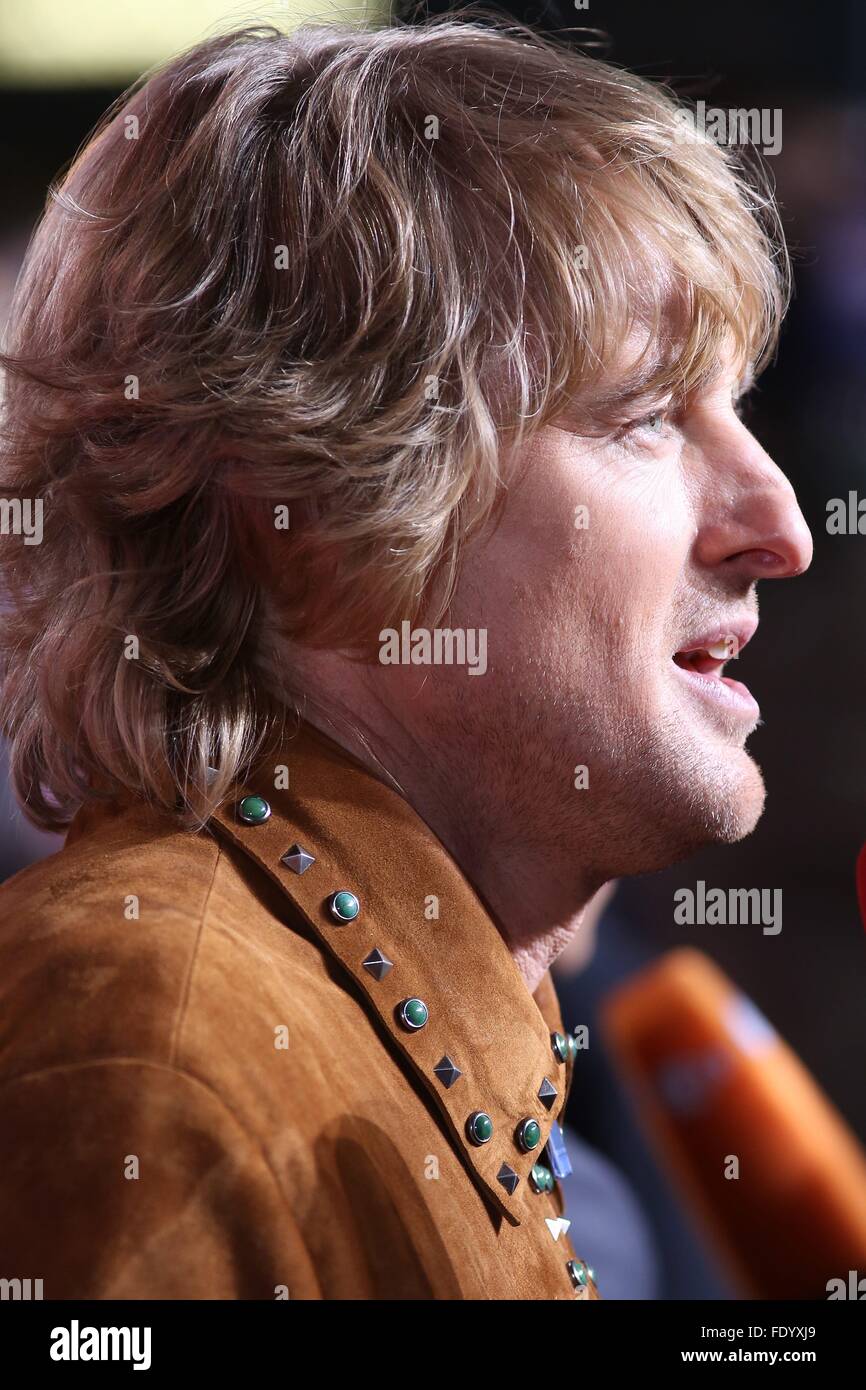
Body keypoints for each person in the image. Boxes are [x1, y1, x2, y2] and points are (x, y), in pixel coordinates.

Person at [0, 15, 812, 1300]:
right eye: (645, 414)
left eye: (739, 408)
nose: (780, 526)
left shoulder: (396, 1032)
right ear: (313, 502)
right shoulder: (150, 1053)